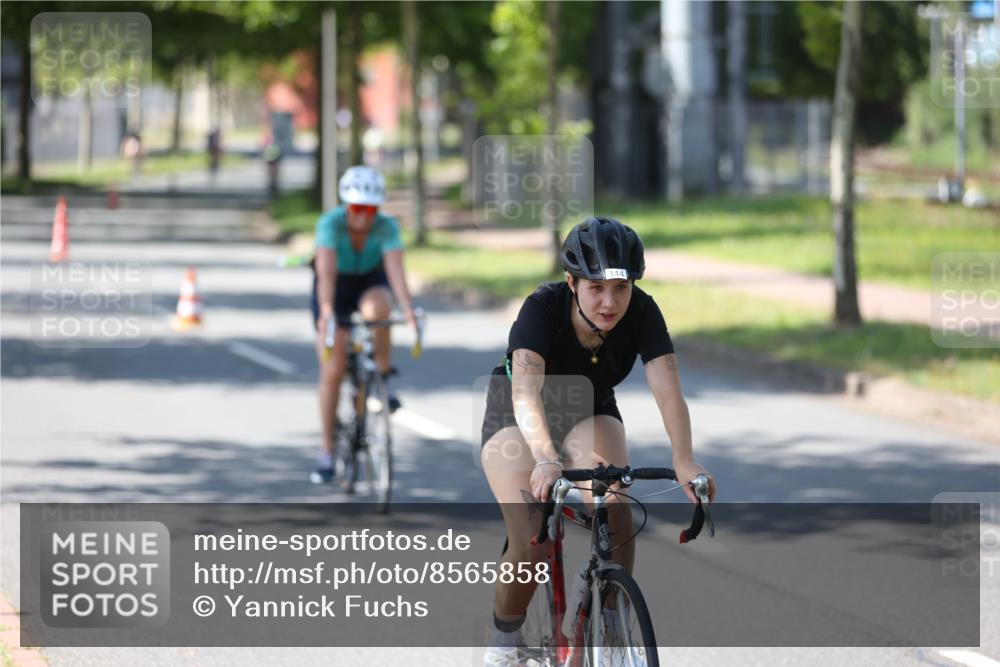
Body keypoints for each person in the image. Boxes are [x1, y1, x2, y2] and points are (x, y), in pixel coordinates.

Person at [479, 217, 716, 666]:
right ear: (571, 282)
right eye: (595, 288)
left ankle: (609, 622)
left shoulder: (643, 312)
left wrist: (684, 459)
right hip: (517, 412)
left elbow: (668, 391)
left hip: (588, 406)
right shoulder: (541, 309)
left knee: (614, 505)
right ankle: (504, 642)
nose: (610, 303)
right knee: (532, 536)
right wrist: (547, 458)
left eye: (621, 289)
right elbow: (526, 393)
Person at [310, 165, 419, 484]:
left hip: (370, 282)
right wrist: (327, 311)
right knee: (332, 368)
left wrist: (409, 308)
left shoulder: (386, 227)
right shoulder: (330, 224)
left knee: (380, 310)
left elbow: (396, 272)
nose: (363, 217)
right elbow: (326, 274)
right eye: (357, 208)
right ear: (346, 206)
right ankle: (327, 450)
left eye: (370, 209)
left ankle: (382, 375)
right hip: (335, 288)